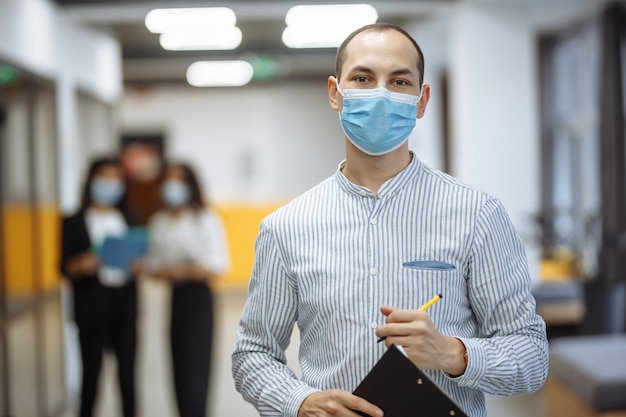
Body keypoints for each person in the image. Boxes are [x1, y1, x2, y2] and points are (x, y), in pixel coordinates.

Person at [231, 23, 548, 417]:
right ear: (335, 93)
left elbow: (532, 358)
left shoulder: (477, 215)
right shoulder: (286, 228)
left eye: (399, 81)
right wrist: (301, 402)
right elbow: (253, 355)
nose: (380, 93)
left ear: (421, 100)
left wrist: (454, 353)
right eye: (363, 78)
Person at [141, 161, 230, 417]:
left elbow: (217, 265)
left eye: (179, 180)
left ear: (190, 184)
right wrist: (170, 271)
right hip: (176, 298)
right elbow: (153, 266)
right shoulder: (159, 221)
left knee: (197, 366)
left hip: (200, 299)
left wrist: (179, 271)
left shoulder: (205, 219)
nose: (172, 186)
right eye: (168, 180)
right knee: (178, 365)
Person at [60, 156, 138, 417]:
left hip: (124, 307)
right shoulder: (74, 221)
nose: (110, 184)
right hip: (92, 307)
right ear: (91, 180)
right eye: (104, 177)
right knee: (91, 378)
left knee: (128, 378)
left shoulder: (128, 218)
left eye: (116, 178)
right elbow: (63, 267)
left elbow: (140, 257)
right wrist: (83, 263)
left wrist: (139, 264)